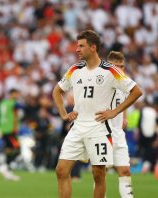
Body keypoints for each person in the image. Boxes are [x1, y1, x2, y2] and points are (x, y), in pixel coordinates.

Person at [52, 30, 142, 198]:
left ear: (93, 48)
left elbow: (136, 91)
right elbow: (57, 91)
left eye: (81, 46)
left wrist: (115, 112)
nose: (77, 49)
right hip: (77, 127)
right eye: (77, 46)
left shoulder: (110, 70)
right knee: (61, 170)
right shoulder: (74, 69)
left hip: (99, 129)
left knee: (98, 174)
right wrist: (64, 114)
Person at [107, 51, 134, 197]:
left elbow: (125, 101)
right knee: (101, 173)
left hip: (118, 133)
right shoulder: (101, 81)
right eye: (116, 66)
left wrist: (124, 116)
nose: (120, 70)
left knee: (125, 171)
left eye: (122, 67)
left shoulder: (124, 82)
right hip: (102, 134)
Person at [0, 88, 22, 181]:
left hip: (4, 129)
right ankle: (4, 167)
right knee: (17, 149)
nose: (17, 96)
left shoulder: (3, 103)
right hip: (10, 130)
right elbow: (23, 106)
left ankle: (8, 172)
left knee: (9, 149)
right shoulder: (13, 103)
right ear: (11, 94)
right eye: (16, 94)